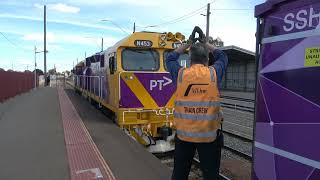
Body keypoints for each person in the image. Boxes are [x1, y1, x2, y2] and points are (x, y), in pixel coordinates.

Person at [166, 26, 228, 180]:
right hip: (208, 138)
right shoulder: (214, 73)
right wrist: (206, 43)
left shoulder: (180, 74)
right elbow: (223, 57)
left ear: (189, 60)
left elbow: (170, 58)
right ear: (207, 60)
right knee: (211, 175)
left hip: (184, 137)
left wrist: (188, 43)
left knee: (179, 174)